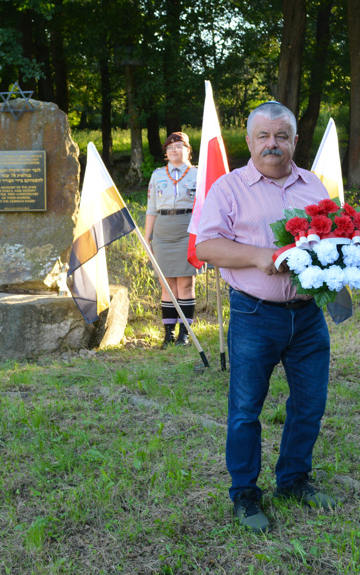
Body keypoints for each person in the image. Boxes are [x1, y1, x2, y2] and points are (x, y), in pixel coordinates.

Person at [195, 102, 336, 533]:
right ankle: (245, 494)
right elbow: (205, 247)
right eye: (264, 136)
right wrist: (259, 256)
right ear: (250, 140)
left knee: (309, 405)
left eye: (281, 136)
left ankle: (293, 480)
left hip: (309, 315)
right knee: (245, 411)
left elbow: (334, 238)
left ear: (294, 140)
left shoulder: (314, 186)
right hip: (255, 314)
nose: (272, 144)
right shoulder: (229, 188)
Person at [144, 132, 200, 348]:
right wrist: (147, 236)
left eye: (179, 146)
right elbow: (151, 208)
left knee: (185, 283)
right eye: (170, 147)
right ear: (166, 154)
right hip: (163, 231)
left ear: (188, 150)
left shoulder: (198, 174)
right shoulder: (158, 175)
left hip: (188, 229)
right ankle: (169, 334)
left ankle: (185, 334)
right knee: (166, 285)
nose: (175, 150)